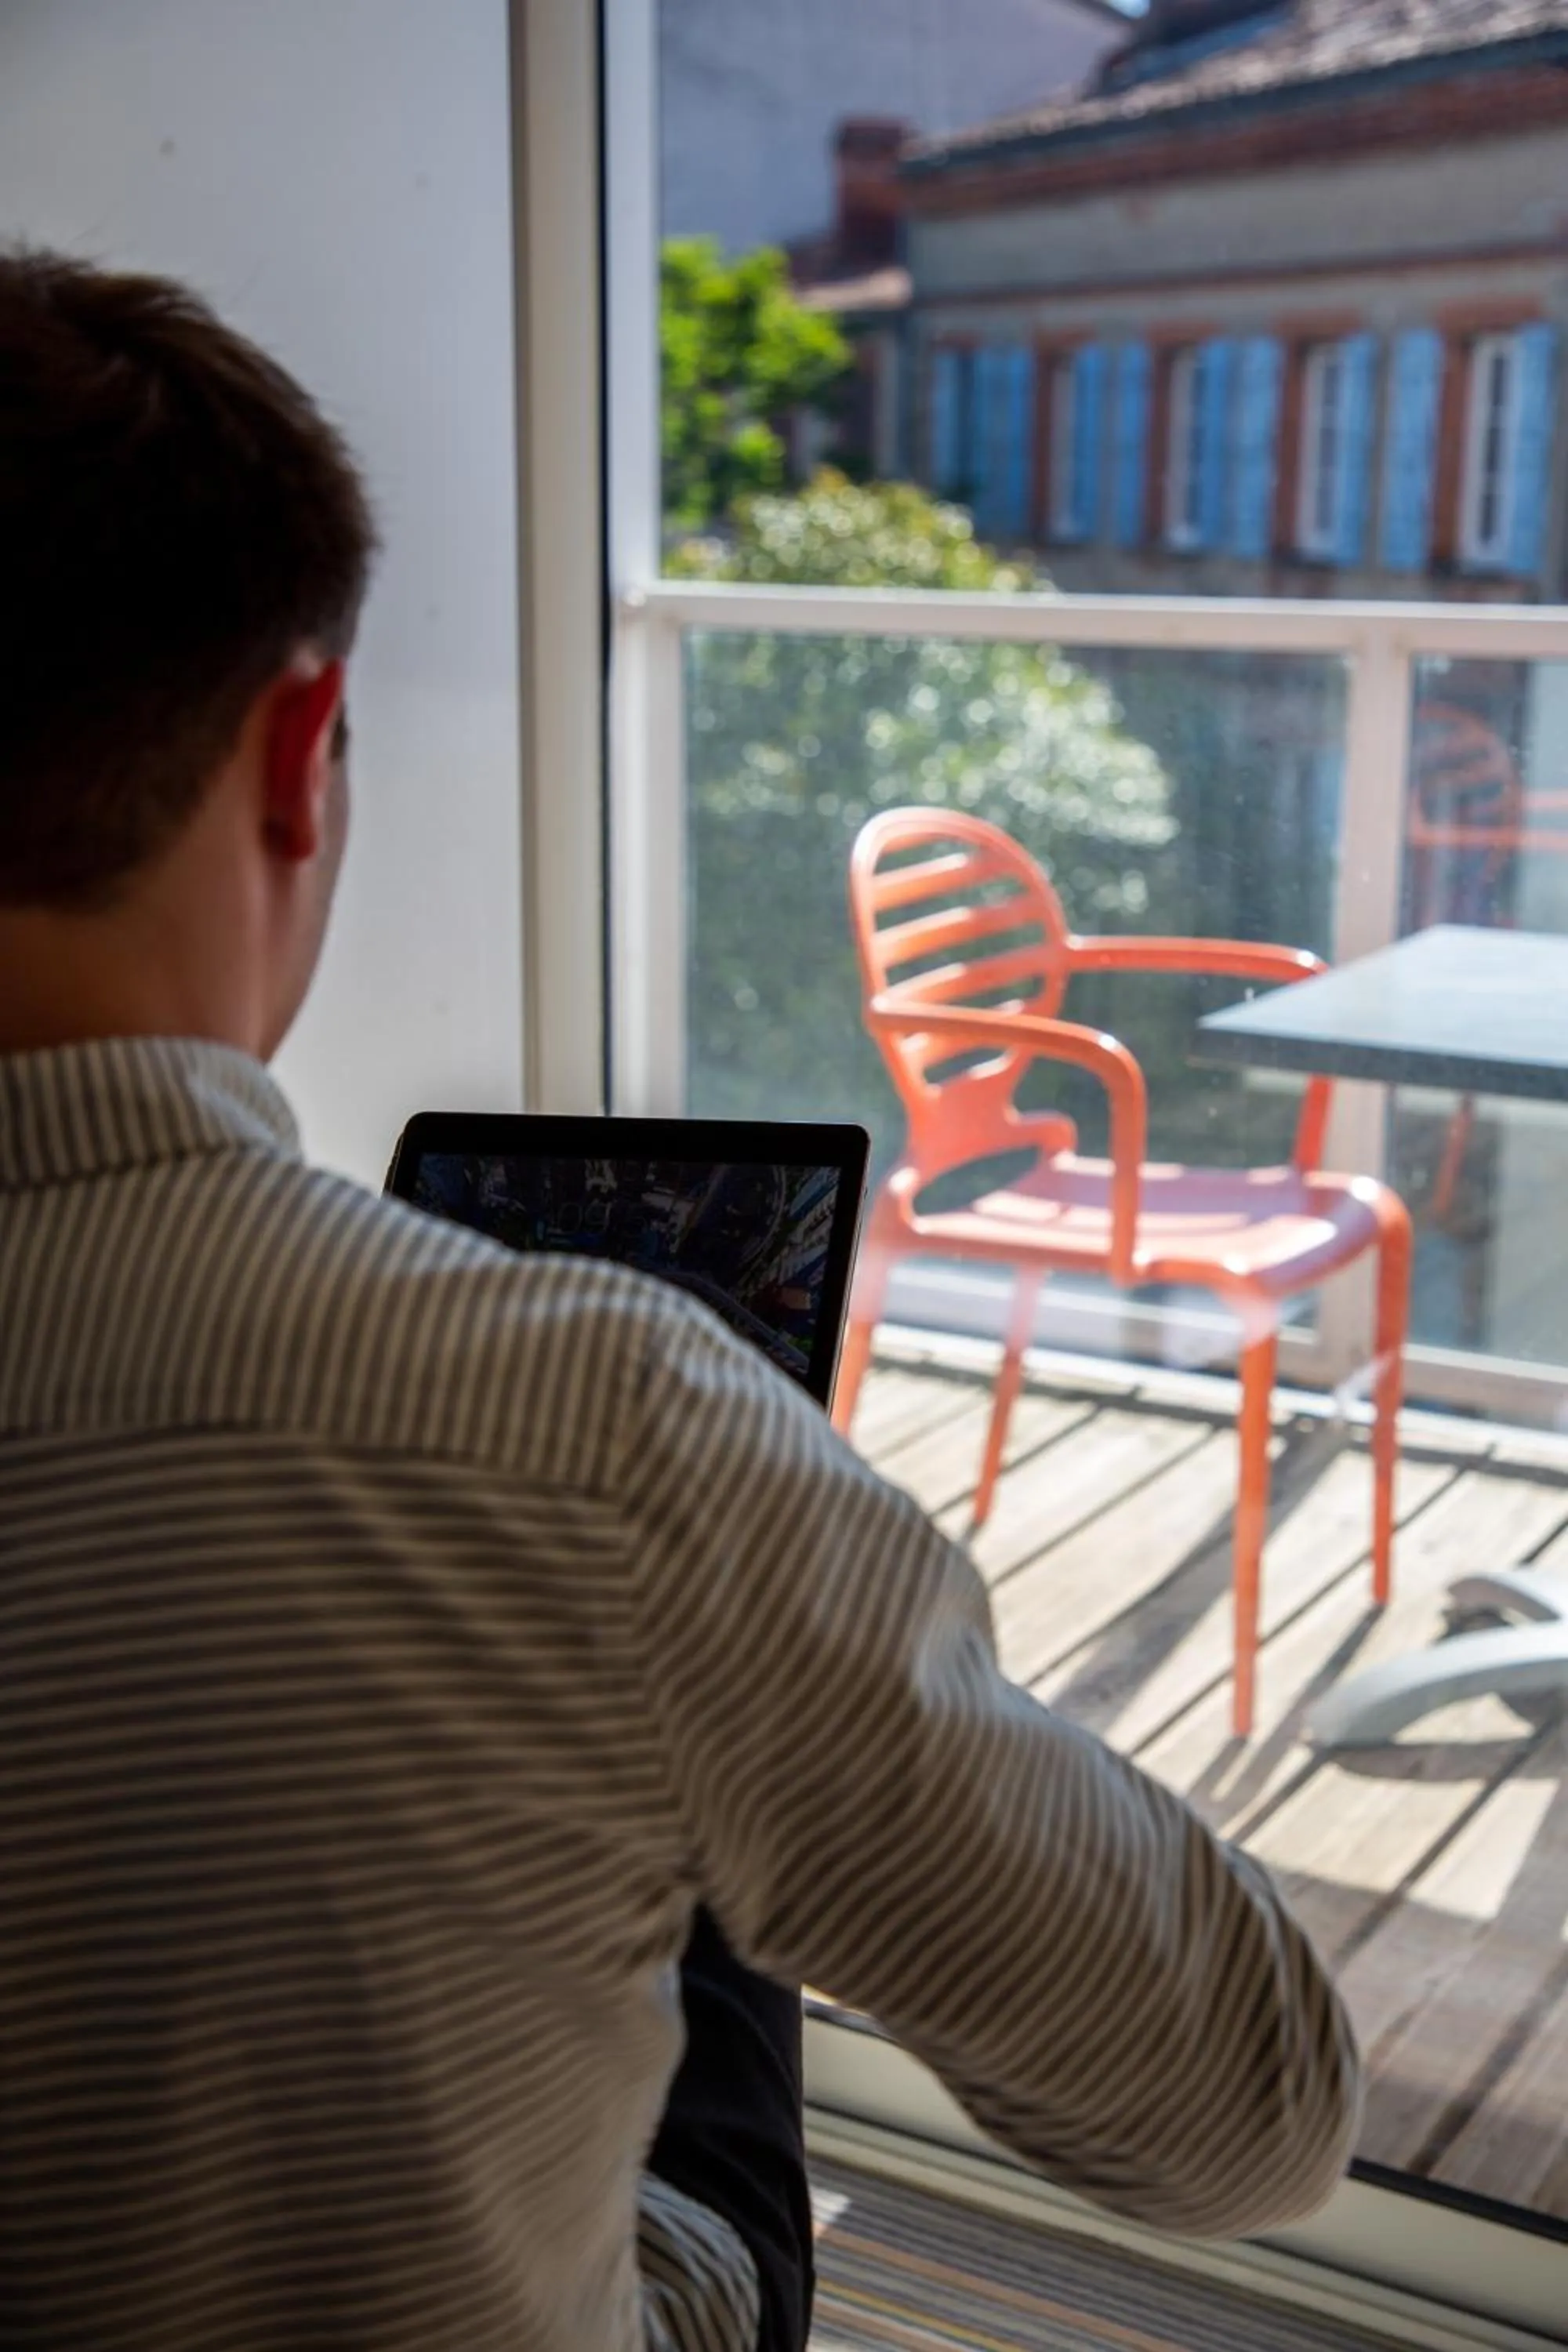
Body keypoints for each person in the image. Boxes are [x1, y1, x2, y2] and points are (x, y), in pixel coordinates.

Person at [0, 246, 1359, 2352]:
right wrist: (808, 1611)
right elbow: (1255, 2114)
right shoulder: (605, 1443)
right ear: (301, 751)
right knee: (679, 1834)